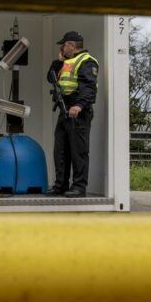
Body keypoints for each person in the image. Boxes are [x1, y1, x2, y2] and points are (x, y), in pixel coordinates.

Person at [45, 31, 99, 198]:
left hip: (78, 111)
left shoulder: (87, 61)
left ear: (71, 45)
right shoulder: (66, 62)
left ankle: (79, 187)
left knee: (78, 151)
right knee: (60, 151)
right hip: (64, 110)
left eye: (64, 44)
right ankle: (60, 185)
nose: (62, 47)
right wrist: (58, 61)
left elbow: (89, 87)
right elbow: (50, 77)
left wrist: (79, 105)